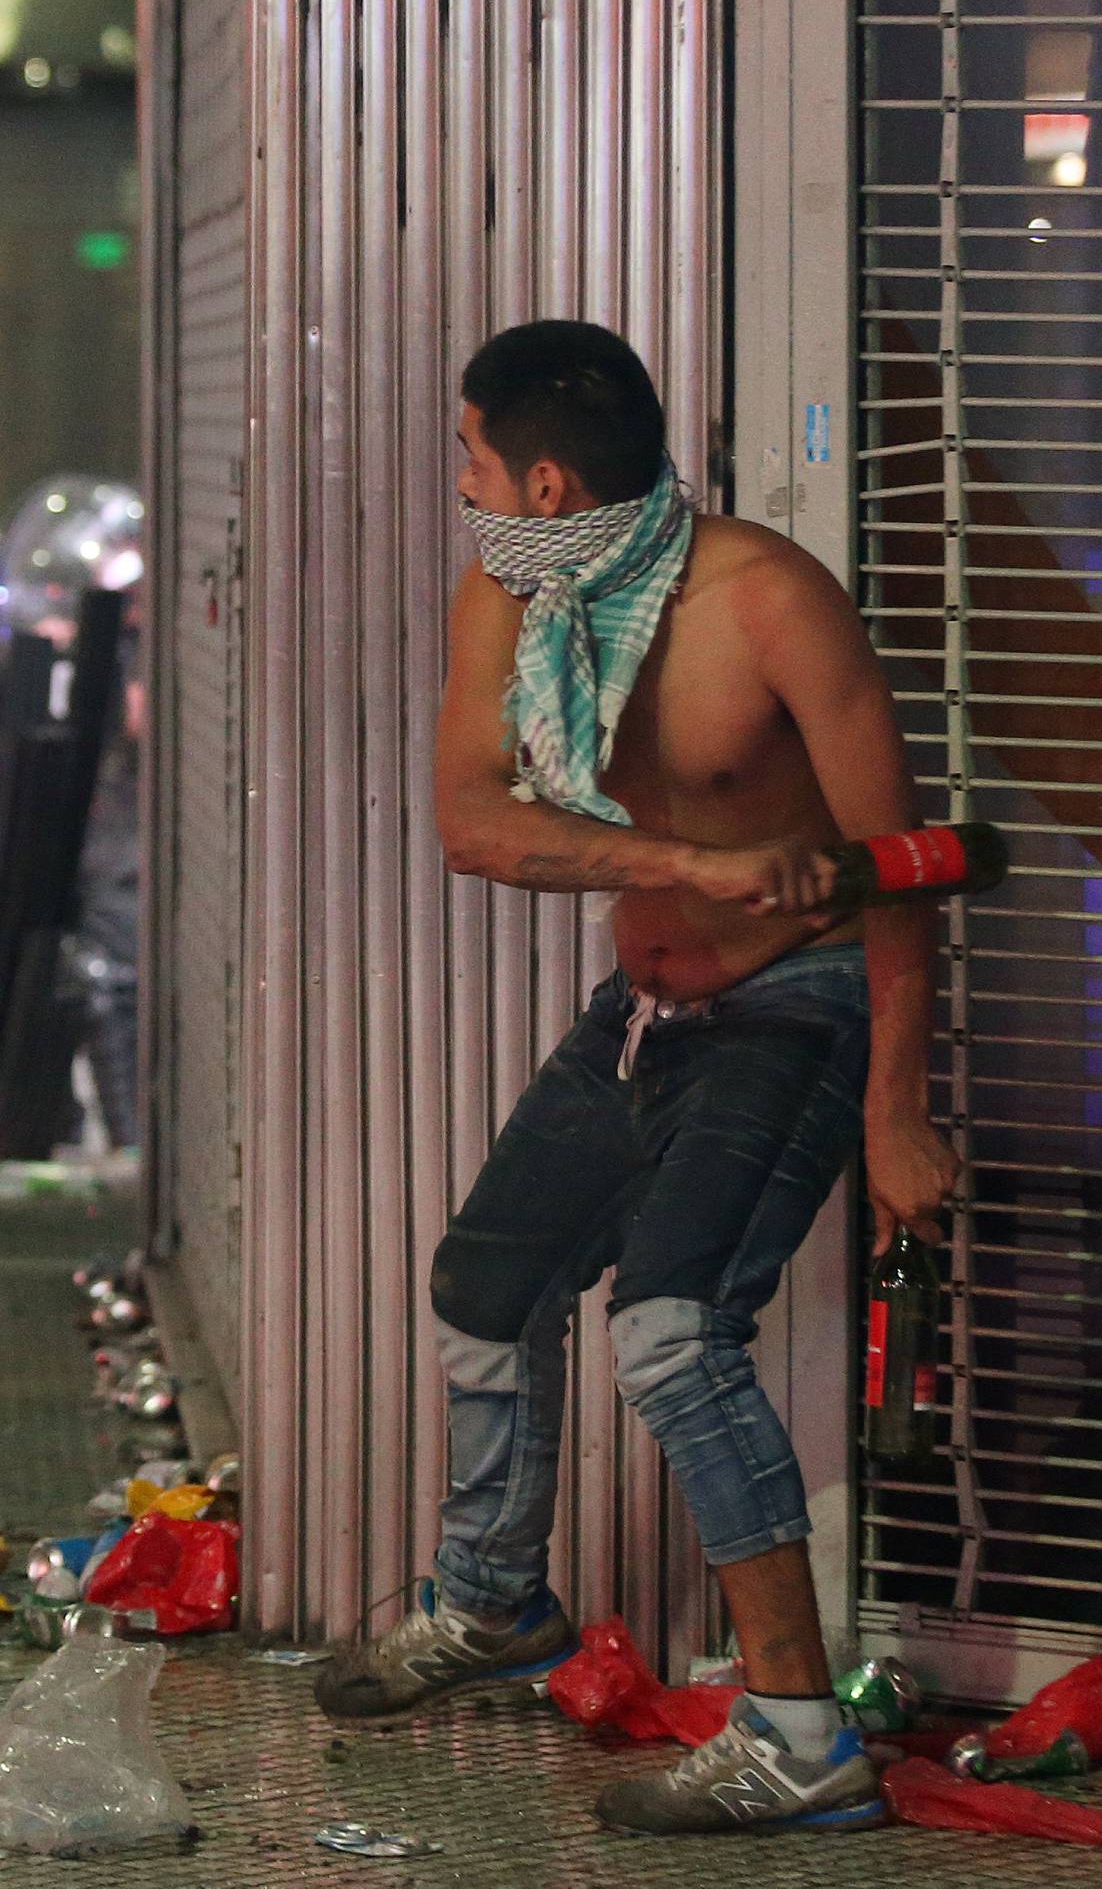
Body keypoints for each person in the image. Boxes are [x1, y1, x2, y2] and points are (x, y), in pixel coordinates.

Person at [316, 320, 959, 1836]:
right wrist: (689, 859)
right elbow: (475, 823)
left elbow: (899, 878)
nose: (459, 486)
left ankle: (800, 1734)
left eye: (470, 458)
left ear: (542, 477)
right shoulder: (517, 594)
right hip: (645, 1006)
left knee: (673, 1335)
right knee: (486, 1287)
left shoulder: (772, 602)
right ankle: (492, 1603)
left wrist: (895, 1110)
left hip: (793, 1002)